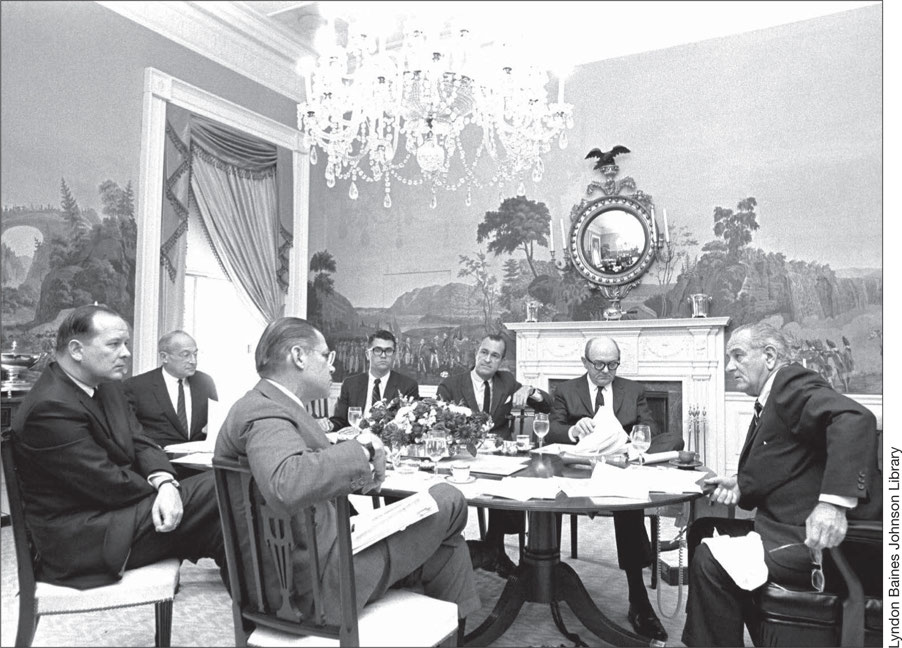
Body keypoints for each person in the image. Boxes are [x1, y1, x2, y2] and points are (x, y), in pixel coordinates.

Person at [214, 317, 480, 633]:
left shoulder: (270, 405)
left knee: (446, 547)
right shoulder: (264, 412)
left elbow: (310, 479)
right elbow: (285, 483)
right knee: (448, 498)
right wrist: (363, 449)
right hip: (314, 589)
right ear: (299, 357)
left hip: (319, 559)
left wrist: (360, 480)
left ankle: (458, 636)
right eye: (326, 356)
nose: (332, 367)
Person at [681, 323, 880, 647]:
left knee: (709, 560)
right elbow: (788, 460)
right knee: (701, 530)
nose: (730, 367)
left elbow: (855, 419)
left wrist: (833, 504)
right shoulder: (772, 399)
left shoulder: (789, 382)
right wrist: (741, 485)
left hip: (817, 540)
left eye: (738, 356)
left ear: (770, 356)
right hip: (784, 526)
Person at [10, 304, 226, 589]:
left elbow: (141, 441)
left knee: (225, 526)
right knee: (220, 485)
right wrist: (170, 490)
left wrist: (164, 481)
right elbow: (107, 484)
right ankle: (273, 611)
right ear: (76, 350)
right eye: (114, 344)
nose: (126, 353)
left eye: (125, 343)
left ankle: (269, 610)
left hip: (117, 516)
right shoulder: (50, 407)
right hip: (85, 538)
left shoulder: (107, 385)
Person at [547, 336, 683, 642]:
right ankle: (548, 578)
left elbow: (647, 429)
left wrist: (627, 442)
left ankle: (638, 600)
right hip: (578, 470)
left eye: (612, 364)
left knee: (631, 501)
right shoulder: (566, 390)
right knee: (549, 493)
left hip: (621, 468)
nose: (606, 371)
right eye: (599, 364)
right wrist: (572, 429)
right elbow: (551, 431)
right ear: (585, 362)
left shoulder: (632, 390)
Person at [436, 334, 551, 578]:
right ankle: (485, 551)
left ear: (501, 361)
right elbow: (439, 426)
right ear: (476, 353)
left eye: (495, 355)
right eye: (484, 352)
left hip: (499, 457)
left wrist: (531, 391)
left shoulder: (506, 381)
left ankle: (493, 546)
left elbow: (546, 406)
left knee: (513, 485)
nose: (488, 359)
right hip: (463, 456)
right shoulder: (451, 386)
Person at [124, 330, 218, 446]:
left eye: (195, 354)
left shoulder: (205, 382)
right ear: (164, 357)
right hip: (158, 460)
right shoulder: (136, 387)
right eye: (185, 355)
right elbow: (130, 433)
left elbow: (214, 423)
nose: (193, 361)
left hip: (197, 460)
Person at [325, 329, 419, 432]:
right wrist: (328, 425)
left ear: (394, 356)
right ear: (367, 355)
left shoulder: (408, 386)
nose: (383, 355)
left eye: (388, 351)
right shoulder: (350, 384)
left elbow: (410, 426)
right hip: (355, 443)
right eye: (378, 350)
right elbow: (339, 420)